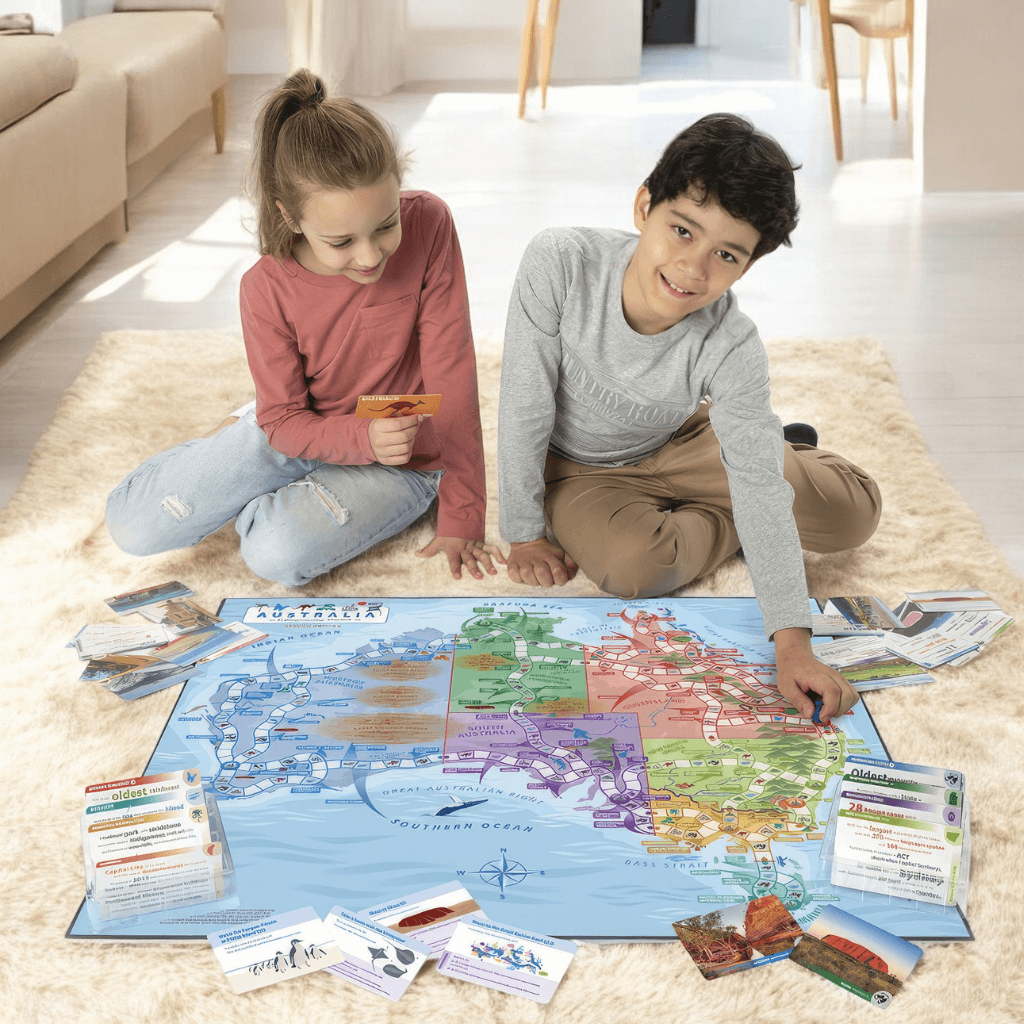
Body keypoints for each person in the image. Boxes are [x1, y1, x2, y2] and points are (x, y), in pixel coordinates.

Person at [497, 113, 881, 724]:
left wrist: (793, 645)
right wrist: (522, 531)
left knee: (853, 512)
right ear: (644, 205)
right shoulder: (561, 261)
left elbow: (757, 486)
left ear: (747, 266)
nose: (694, 268)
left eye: (725, 254)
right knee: (631, 567)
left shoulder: (732, 342)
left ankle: (774, 460)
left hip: (684, 439)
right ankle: (745, 509)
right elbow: (523, 401)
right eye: (681, 230)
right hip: (582, 470)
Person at [107, 70, 501, 586]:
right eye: (340, 242)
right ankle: (248, 443)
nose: (369, 256)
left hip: (401, 457)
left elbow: (453, 369)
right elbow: (287, 421)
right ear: (290, 217)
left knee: (275, 553)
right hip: (298, 428)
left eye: (385, 226)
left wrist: (463, 513)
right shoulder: (263, 287)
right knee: (133, 525)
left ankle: (269, 475)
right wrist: (325, 434)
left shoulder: (429, 224)